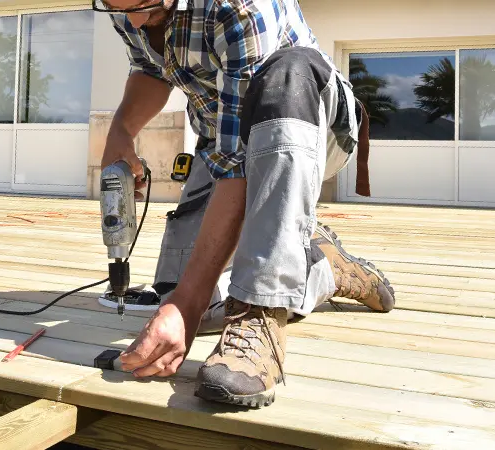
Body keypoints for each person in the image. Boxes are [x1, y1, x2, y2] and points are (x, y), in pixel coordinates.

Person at [95, 0, 396, 408]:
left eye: (144, 4)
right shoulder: (126, 6)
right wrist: (121, 131)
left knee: (288, 70)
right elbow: (150, 68)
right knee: (178, 292)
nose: (131, 19)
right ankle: (322, 268)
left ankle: (260, 313)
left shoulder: (239, 6)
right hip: (220, 143)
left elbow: (240, 163)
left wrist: (188, 303)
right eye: (115, 5)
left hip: (306, 120)